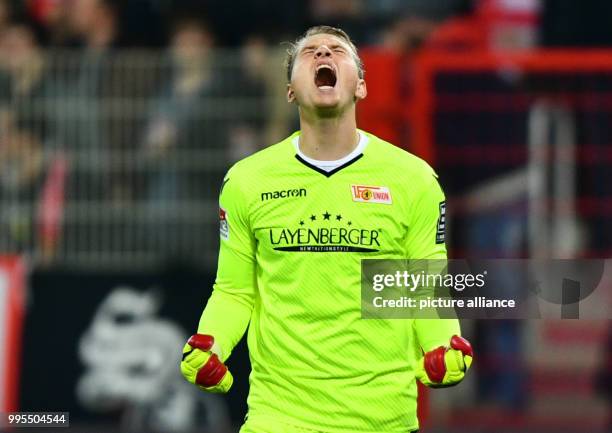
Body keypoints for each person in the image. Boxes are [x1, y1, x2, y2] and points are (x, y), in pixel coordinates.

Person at [180, 25, 474, 433]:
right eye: (309, 52)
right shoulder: (247, 181)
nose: (323, 55)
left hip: (381, 418)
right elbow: (234, 290)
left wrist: (443, 344)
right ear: (289, 91)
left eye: (337, 50)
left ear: (361, 86)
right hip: (278, 416)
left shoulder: (413, 180)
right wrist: (210, 341)